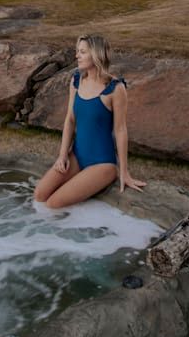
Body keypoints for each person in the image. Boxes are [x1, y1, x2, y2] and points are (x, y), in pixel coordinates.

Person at [34, 34, 147, 209]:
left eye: (82, 52)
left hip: (102, 164)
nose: (77, 56)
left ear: (96, 55)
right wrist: (62, 155)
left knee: (53, 204)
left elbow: (120, 130)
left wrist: (124, 172)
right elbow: (70, 120)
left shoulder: (115, 88)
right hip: (76, 156)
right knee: (39, 195)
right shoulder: (76, 81)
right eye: (77, 51)